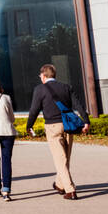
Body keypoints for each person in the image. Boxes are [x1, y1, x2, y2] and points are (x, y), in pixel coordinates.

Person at [25, 64, 91, 200]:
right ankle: (60, 185)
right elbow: (78, 105)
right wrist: (86, 121)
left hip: (52, 127)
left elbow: (34, 110)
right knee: (65, 158)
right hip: (68, 126)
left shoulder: (39, 89)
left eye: (40, 76)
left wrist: (29, 126)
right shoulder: (66, 87)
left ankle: (70, 190)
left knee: (60, 160)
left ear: (43, 76)